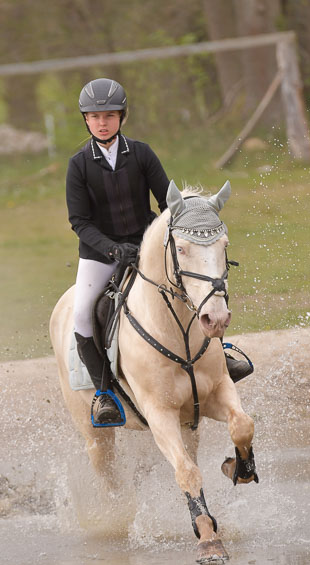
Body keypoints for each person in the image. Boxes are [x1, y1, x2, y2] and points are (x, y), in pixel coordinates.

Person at [66, 77, 252, 426]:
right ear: (86, 120)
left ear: (122, 117)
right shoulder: (79, 165)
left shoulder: (141, 153)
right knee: (81, 315)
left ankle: (221, 355)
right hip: (98, 253)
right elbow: (79, 221)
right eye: (94, 117)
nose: (102, 122)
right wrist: (111, 248)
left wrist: (165, 239)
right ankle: (104, 392)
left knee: (200, 287)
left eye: (108, 115)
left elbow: (171, 205)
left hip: (146, 247)